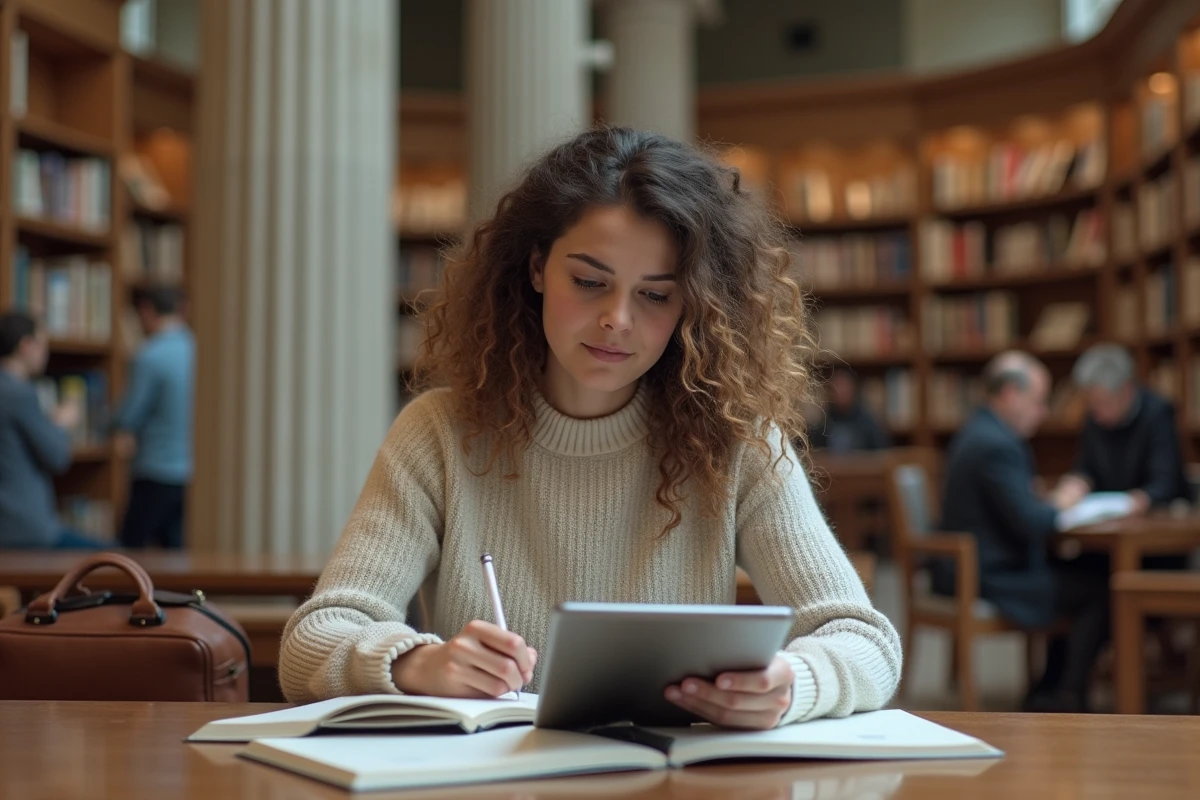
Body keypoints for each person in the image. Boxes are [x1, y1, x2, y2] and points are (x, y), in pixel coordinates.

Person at [280, 127, 902, 729]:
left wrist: (796, 683)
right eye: (588, 282)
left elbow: (865, 641)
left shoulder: (737, 440)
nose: (617, 320)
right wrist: (417, 662)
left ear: (695, 305)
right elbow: (314, 637)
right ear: (535, 269)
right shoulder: (438, 433)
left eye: (656, 296)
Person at [937, 351, 1109, 712]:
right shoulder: (997, 444)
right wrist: (1062, 500)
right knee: (1101, 587)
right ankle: (1066, 696)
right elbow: (1032, 523)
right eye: (1038, 402)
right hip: (988, 574)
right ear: (1012, 394)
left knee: (1087, 574)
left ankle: (1050, 688)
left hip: (980, 564)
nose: (1043, 413)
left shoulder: (981, 430)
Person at [0, 311, 101, 549]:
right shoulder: (19, 394)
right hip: (22, 527)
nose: (46, 353)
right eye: (43, 344)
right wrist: (59, 422)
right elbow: (58, 457)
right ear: (26, 345)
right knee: (117, 560)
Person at [1054, 343, 1188, 514]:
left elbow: (1167, 481)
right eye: (1092, 405)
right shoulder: (1094, 419)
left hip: (1157, 519)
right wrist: (1077, 483)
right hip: (1108, 519)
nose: (1097, 414)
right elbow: (1085, 467)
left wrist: (1143, 498)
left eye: (1103, 403)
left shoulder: (1158, 414)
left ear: (1126, 389)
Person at [112, 285, 195, 549]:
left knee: (129, 552)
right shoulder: (196, 348)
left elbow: (129, 415)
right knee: (177, 552)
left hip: (156, 469)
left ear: (146, 311)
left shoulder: (149, 356)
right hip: (190, 470)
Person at [808, 367, 891, 452]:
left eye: (844, 387)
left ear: (853, 389)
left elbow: (880, 452)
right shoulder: (825, 422)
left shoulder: (868, 422)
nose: (841, 392)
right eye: (837, 387)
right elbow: (816, 452)